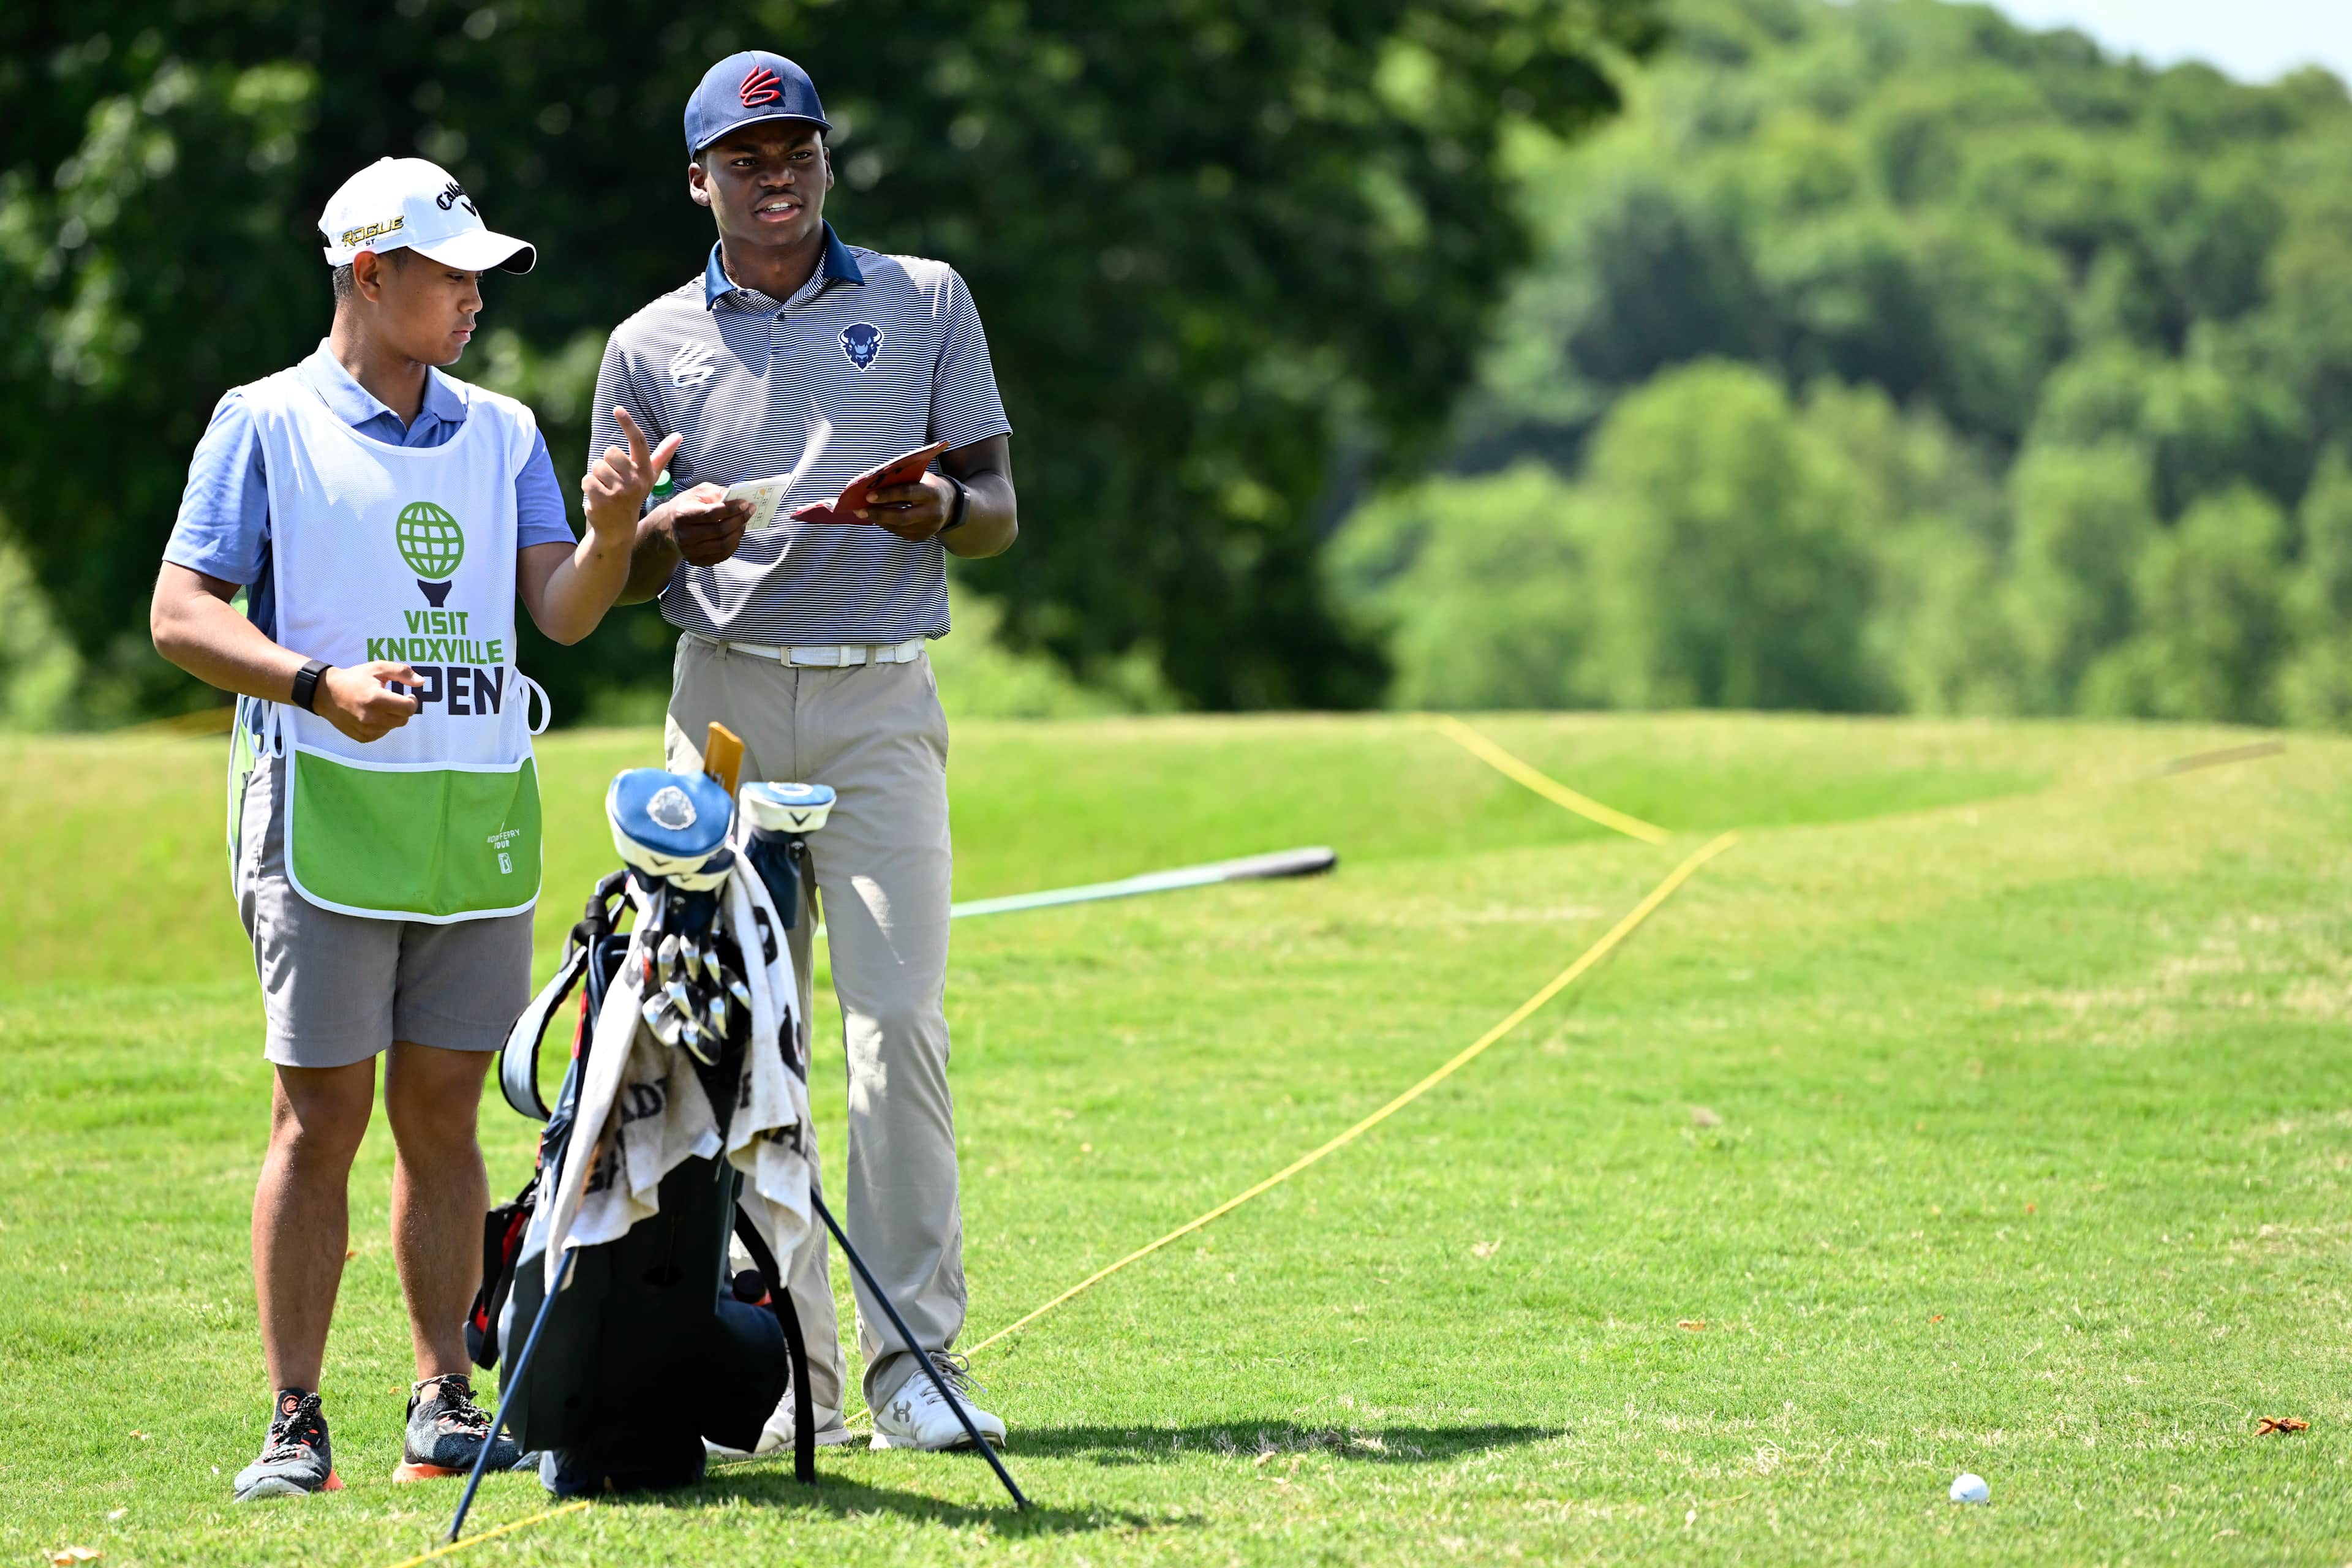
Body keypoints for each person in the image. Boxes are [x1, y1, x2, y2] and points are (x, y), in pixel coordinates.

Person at [149, 156, 673, 1500]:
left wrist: (614, 536)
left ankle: (443, 1398)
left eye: (483, 279)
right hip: (322, 810)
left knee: (443, 1110)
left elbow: (560, 610)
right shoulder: (263, 421)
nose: (476, 301)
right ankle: (295, 1416)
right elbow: (181, 615)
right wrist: (314, 683)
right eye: (454, 276)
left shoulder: (504, 431)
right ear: (371, 274)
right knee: (318, 1116)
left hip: (472, 816)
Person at [589, 50, 1019, 1452]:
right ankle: (789, 1380)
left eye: (799, 152)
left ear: (826, 162)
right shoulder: (647, 344)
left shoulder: (924, 297)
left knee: (897, 1028)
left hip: (879, 699)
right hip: (721, 707)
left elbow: (999, 503)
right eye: (747, 160)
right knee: (734, 1046)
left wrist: (942, 506)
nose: (777, 177)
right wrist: (669, 536)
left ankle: (914, 1365)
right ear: (699, 181)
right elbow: (611, 574)